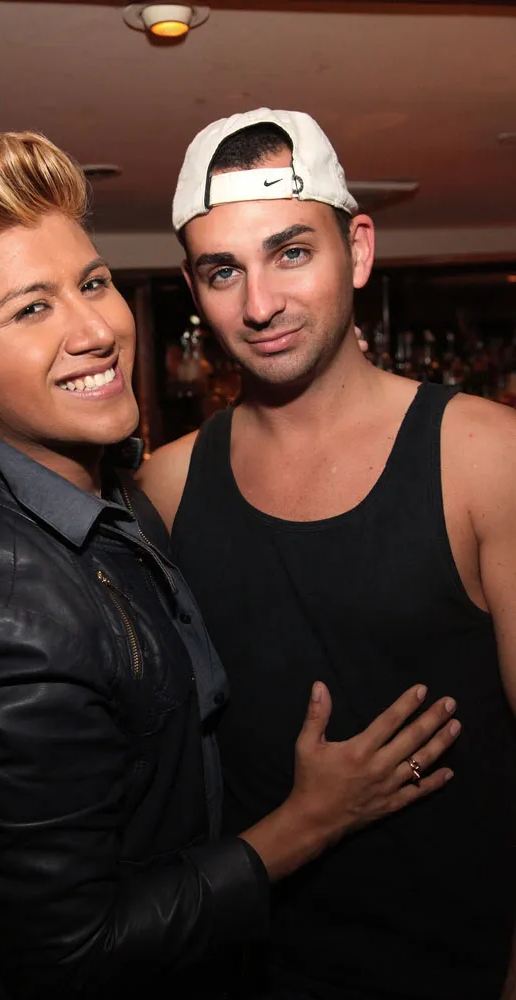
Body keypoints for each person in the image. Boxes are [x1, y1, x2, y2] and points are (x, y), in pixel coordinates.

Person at [0, 131, 460, 1000]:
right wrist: (307, 822)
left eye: (92, 283)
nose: (96, 330)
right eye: (31, 310)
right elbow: (71, 958)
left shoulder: (98, 488)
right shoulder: (4, 609)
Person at [139, 108, 516, 1000]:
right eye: (222, 271)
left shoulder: (484, 458)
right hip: (243, 967)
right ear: (193, 287)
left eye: (291, 253)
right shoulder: (164, 485)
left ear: (358, 249)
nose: (258, 304)